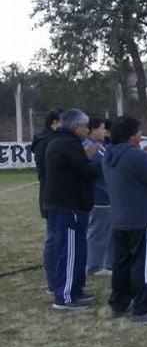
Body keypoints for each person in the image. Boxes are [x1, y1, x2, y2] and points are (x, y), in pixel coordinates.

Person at [103, 116, 147, 323]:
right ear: (132, 135)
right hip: (142, 219)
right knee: (146, 263)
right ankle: (142, 308)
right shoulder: (136, 157)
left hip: (120, 218)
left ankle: (119, 303)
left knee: (122, 262)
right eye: (139, 131)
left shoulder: (109, 155)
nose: (141, 135)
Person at [44, 108, 102, 310]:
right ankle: (65, 297)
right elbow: (85, 171)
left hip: (69, 205)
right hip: (68, 207)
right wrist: (95, 163)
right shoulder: (67, 144)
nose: (87, 130)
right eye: (85, 126)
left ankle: (75, 290)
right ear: (76, 126)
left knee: (77, 250)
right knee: (69, 252)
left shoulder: (63, 143)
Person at [31, 108, 63, 294]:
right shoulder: (47, 142)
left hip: (52, 193)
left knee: (57, 236)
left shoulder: (45, 140)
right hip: (53, 194)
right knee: (54, 237)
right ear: (55, 122)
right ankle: (54, 280)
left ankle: (58, 277)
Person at [84, 117, 113, 276]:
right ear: (92, 129)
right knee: (98, 232)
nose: (104, 131)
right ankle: (94, 266)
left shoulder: (100, 146)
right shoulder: (89, 147)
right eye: (102, 128)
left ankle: (107, 263)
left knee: (108, 232)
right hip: (99, 196)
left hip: (107, 194)